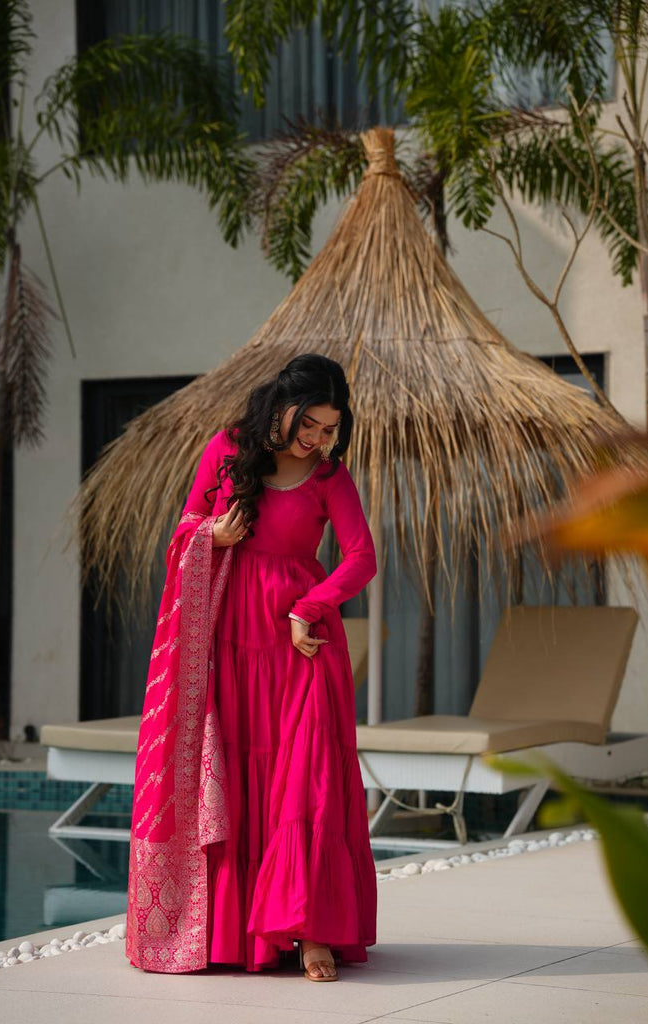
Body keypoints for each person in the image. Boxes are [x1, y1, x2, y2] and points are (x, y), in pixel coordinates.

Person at [125, 353, 378, 982]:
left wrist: (308, 607)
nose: (317, 439)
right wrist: (214, 536)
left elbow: (361, 557)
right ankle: (232, 935)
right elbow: (184, 532)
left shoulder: (329, 476)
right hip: (228, 643)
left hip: (300, 644)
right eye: (309, 424)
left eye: (330, 428)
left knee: (309, 781)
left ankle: (312, 933)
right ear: (283, 409)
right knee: (235, 778)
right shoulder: (227, 450)